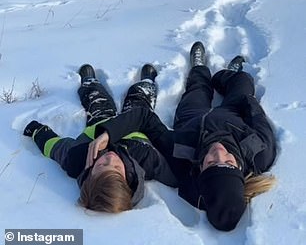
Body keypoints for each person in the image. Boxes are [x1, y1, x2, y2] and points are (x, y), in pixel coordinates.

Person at [91, 42, 277, 232]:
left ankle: (199, 68)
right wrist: (242, 99)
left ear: (200, 169)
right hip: (232, 113)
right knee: (243, 81)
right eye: (229, 162)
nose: (218, 152)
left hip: (191, 118)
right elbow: (257, 117)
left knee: (197, 87)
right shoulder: (259, 153)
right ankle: (226, 74)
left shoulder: (182, 157)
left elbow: (145, 119)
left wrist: (108, 132)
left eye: (211, 163)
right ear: (239, 169)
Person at [23, 63, 177, 213]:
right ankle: (146, 84)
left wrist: (39, 131)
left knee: (97, 102)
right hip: (136, 124)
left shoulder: (77, 158)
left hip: (101, 124)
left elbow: (56, 148)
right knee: (139, 101)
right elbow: (174, 174)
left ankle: (90, 85)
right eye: (117, 168)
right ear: (127, 179)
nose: (110, 159)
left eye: (101, 166)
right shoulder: (144, 159)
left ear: (90, 173)